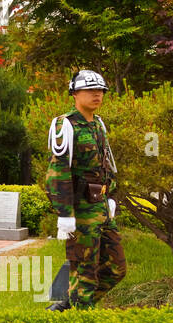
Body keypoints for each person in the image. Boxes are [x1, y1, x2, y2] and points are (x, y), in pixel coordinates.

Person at [44, 69, 125, 310]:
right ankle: (80, 316)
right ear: (75, 93)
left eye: (100, 90)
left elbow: (106, 165)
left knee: (116, 268)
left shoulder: (99, 124)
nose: (97, 95)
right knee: (85, 270)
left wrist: (109, 197)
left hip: (100, 207)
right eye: (90, 90)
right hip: (80, 212)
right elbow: (57, 173)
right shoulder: (65, 125)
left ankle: (70, 303)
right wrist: (65, 214)